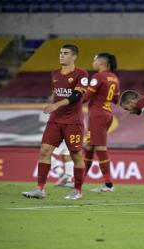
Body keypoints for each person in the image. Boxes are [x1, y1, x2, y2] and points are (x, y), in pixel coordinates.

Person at [22, 44, 88, 200]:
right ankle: (40, 188)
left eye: (65, 53)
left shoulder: (81, 74)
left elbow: (76, 96)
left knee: (76, 154)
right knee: (44, 151)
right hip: (55, 120)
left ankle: (77, 190)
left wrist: (56, 105)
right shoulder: (55, 73)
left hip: (73, 121)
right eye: (60, 53)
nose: (61, 55)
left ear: (74, 56)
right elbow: (55, 93)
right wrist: (49, 103)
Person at [82, 53, 120, 193]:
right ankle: (78, 181)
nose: (93, 62)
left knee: (100, 149)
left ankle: (109, 185)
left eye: (94, 60)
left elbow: (86, 96)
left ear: (101, 63)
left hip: (97, 115)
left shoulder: (98, 77)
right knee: (89, 148)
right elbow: (116, 99)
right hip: (108, 114)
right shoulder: (115, 78)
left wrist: (71, 104)